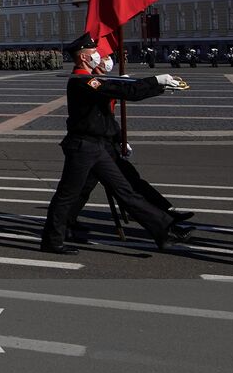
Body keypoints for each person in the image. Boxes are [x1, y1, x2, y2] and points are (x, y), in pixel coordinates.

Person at [39, 33, 192, 255]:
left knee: (126, 192)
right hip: (83, 147)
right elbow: (123, 91)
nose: (97, 55)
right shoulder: (82, 81)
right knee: (67, 195)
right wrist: (155, 82)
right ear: (82, 58)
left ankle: (163, 231)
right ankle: (52, 241)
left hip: (97, 147)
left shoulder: (91, 79)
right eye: (93, 52)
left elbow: (116, 95)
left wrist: (156, 88)